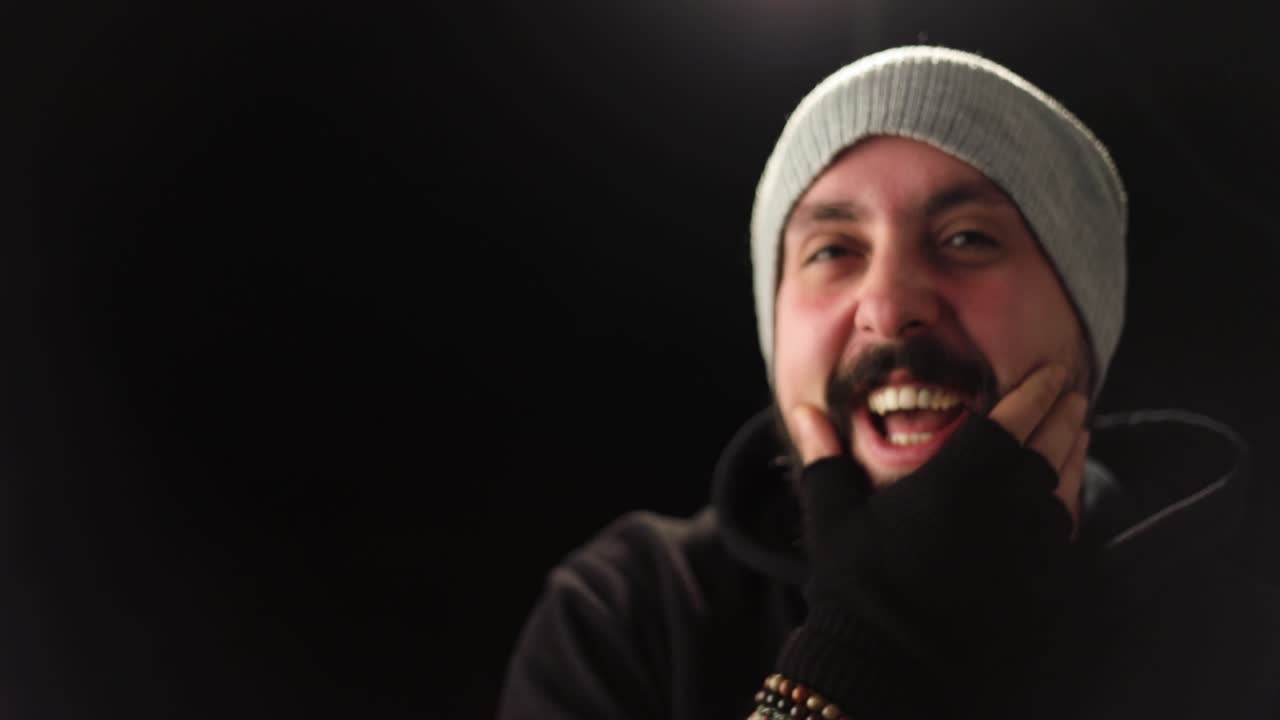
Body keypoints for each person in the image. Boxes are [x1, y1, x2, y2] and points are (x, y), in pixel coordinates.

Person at [496, 46, 1280, 719]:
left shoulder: (1241, 640)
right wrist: (868, 648)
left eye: (968, 238)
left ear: (1086, 318)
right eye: (832, 250)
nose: (890, 305)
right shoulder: (634, 612)